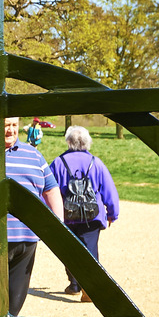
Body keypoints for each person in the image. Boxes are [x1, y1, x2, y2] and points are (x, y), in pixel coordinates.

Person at [50, 125, 120, 303]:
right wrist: (112, 213)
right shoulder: (96, 163)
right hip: (92, 215)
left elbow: (49, 190)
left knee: (69, 250)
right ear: (88, 142)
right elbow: (109, 190)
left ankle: (74, 285)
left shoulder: (58, 163)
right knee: (91, 251)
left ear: (68, 142)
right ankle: (90, 289)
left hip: (67, 215)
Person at [3, 116, 63, 316]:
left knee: (15, 299)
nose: (10, 130)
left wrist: (58, 227)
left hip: (26, 241)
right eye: (5, 126)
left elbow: (51, 189)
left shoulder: (34, 155)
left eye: (13, 125)